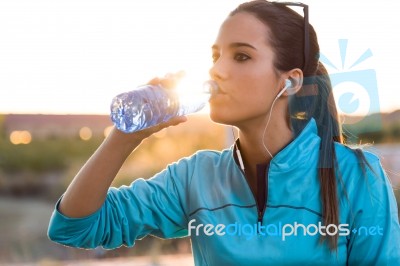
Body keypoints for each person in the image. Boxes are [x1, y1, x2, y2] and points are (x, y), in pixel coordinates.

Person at [48, 1, 400, 265]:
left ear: (290, 81)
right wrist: (125, 136)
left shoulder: (356, 175)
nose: (216, 70)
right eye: (215, 56)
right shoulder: (195, 177)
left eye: (241, 57)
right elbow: (75, 228)